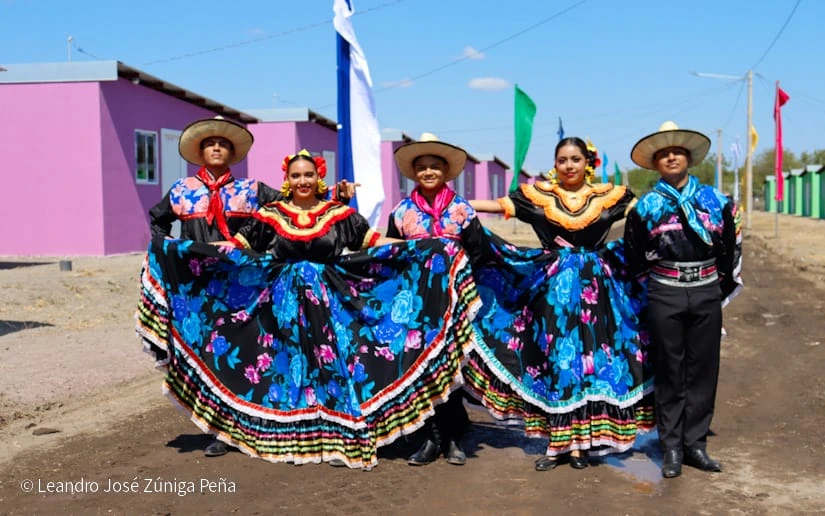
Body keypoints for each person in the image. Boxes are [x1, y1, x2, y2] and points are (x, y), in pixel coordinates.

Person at [136, 150, 481, 469]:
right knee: (286, 366)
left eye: (308, 175)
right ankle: (285, 435)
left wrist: (429, 247)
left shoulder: (339, 215)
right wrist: (183, 250)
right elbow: (235, 248)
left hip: (329, 303)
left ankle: (338, 437)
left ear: (318, 179)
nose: (303, 180)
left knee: (331, 367)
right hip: (280, 304)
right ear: (288, 179)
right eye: (296, 175)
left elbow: (376, 244)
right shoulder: (269, 215)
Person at [142, 116, 353, 457]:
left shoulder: (251, 191)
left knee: (242, 356)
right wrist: (168, 254)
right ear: (199, 151)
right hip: (198, 288)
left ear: (232, 153)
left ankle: (246, 424)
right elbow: (158, 220)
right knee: (207, 355)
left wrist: (334, 195)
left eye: (223, 144)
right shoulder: (182, 191)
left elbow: (293, 202)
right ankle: (217, 429)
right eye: (210, 144)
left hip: (244, 288)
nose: (216, 148)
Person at [468, 137, 654, 471]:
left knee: (590, 362)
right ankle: (557, 443)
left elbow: (647, 214)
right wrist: (457, 205)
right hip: (551, 291)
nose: (569, 166)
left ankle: (581, 445)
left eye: (575, 159)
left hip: (598, 290)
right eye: (563, 160)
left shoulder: (612, 196)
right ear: (555, 164)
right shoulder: (538, 196)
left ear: (587, 163)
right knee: (558, 360)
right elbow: (496, 206)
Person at [624, 121, 743, 479]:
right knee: (670, 370)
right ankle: (672, 447)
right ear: (655, 163)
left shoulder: (717, 201)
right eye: (664, 154)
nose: (671, 157)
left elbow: (730, 250)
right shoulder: (645, 208)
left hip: (706, 289)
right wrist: (658, 288)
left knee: (704, 368)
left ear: (689, 158)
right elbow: (634, 257)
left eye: (677, 151)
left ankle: (696, 444)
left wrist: (713, 287)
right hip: (664, 292)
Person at [387, 133, 490, 466]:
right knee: (425, 367)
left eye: (434, 166)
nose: (428, 172)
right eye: (422, 167)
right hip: (417, 304)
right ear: (413, 173)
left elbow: (479, 254)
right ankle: (432, 437)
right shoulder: (401, 212)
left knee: (453, 366)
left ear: (446, 171)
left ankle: (454, 438)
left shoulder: (462, 210)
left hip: (455, 302)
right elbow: (389, 257)